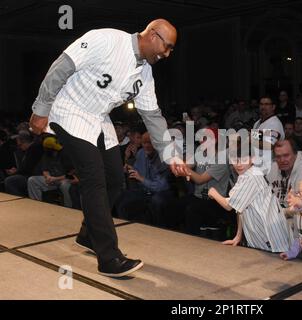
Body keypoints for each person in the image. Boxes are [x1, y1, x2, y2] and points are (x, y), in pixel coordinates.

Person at [29, 19, 189, 277]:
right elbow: (61, 67)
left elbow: (153, 117)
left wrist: (171, 154)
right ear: (152, 35)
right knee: (94, 178)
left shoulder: (145, 73)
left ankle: (87, 235)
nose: (167, 54)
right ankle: (109, 258)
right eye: (167, 46)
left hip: (99, 119)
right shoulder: (106, 40)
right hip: (69, 111)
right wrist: (40, 109)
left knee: (116, 179)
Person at [208, 142, 291, 253]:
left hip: (270, 236)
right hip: (261, 233)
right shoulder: (246, 175)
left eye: (243, 159)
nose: (238, 164)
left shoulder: (251, 176)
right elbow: (240, 208)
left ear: (252, 159)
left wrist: (213, 192)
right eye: (235, 160)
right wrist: (238, 236)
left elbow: (228, 206)